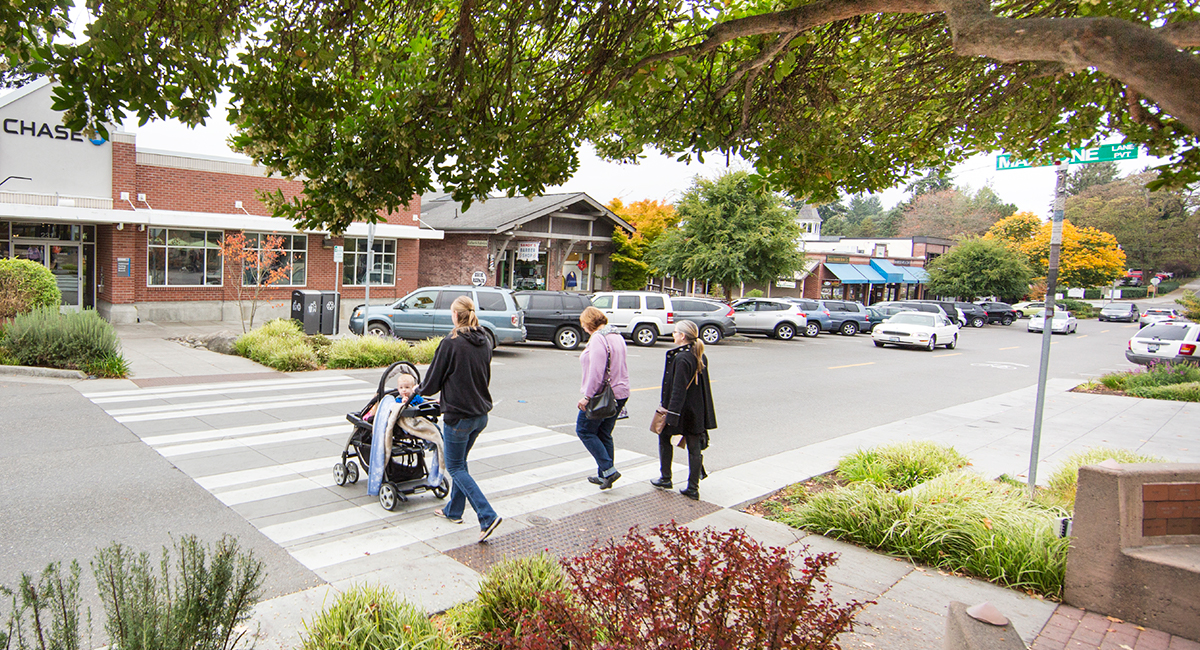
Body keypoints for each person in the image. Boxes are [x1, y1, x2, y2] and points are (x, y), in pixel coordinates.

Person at [419, 296, 503, 542]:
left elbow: (431, 382)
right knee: (461, 465)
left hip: (459, 417)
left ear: (456, 315)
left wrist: (415, 391)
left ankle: (487, 516)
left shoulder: (451, 342)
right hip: (480, 414)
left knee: (455, 467)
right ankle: (454, 510)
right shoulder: (484, 340)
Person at [652, 319, 716, 500]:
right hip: (696, 410)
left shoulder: (681, 358)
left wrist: (670, 414)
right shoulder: (699, 354)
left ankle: (666, 477)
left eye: (674, 332)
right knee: (695, 448)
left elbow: (677, 389)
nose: (673, 335)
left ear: (682, 336)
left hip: (680, 410)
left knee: (664, 436)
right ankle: (693, 487)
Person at [575, 306, 630, 489]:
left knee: (584, 430)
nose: (583, 328)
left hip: (603, 394)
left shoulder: (599, 338)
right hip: (621, 392)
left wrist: (588, 397)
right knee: (604, 433)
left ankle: (608, 470)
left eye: (583, 324)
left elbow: (596, 372)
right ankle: (605, 475)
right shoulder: (616, 335)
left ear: (589, 323)